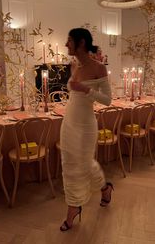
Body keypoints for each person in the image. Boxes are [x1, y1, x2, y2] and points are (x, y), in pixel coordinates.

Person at [60, 28, 113, 231]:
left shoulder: (99, 68)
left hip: (86, 125)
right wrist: (76, 87)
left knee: (84, 163)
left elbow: (107, 100)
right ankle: (78, 203)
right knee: (69, 165)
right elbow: (72, 92)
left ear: (81, 43)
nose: (66, 44)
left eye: (69, 40)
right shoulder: (74, 65)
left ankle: (81, 203)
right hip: (69, 123)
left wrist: (86, 89)